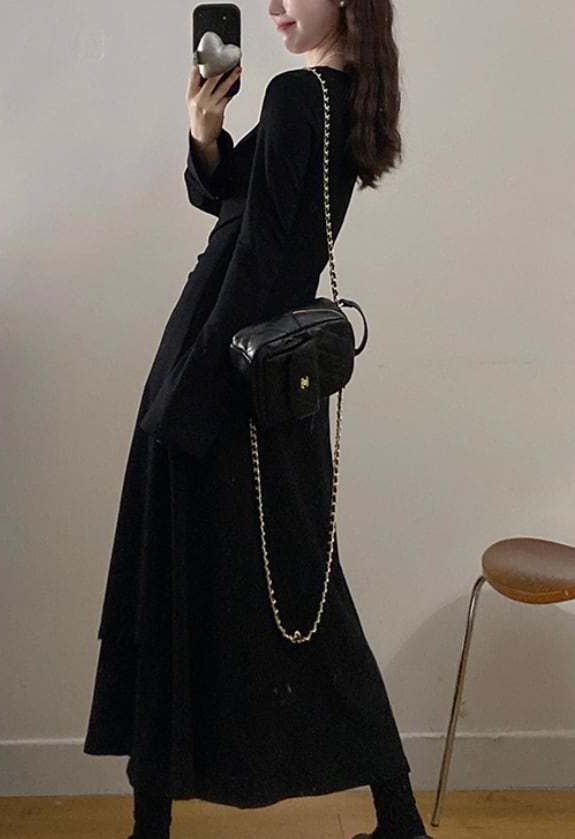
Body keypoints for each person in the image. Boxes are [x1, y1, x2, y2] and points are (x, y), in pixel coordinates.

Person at [85, 2, 431, 838]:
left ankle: (151, 826)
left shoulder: (299, 96)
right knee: (304, 589)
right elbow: (232, 203)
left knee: (178, 580)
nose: (273, 5)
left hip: (221, 365)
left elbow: (264, 260)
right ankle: (398, 820)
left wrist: (189, 399)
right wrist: (204, 136)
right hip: (263, 375)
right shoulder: (336, 99)